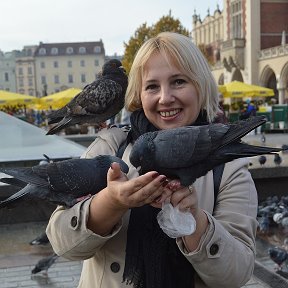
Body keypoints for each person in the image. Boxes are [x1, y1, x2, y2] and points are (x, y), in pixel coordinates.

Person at [46, 32, 258, 288]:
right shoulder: (111, 146)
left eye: (179, 81)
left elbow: (236, 275)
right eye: (152, 86)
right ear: (139, 94)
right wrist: (111, 202)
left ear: (201, 87)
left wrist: (195, 221)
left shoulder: (229, 169)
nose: (165, 97)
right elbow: (62, 244)